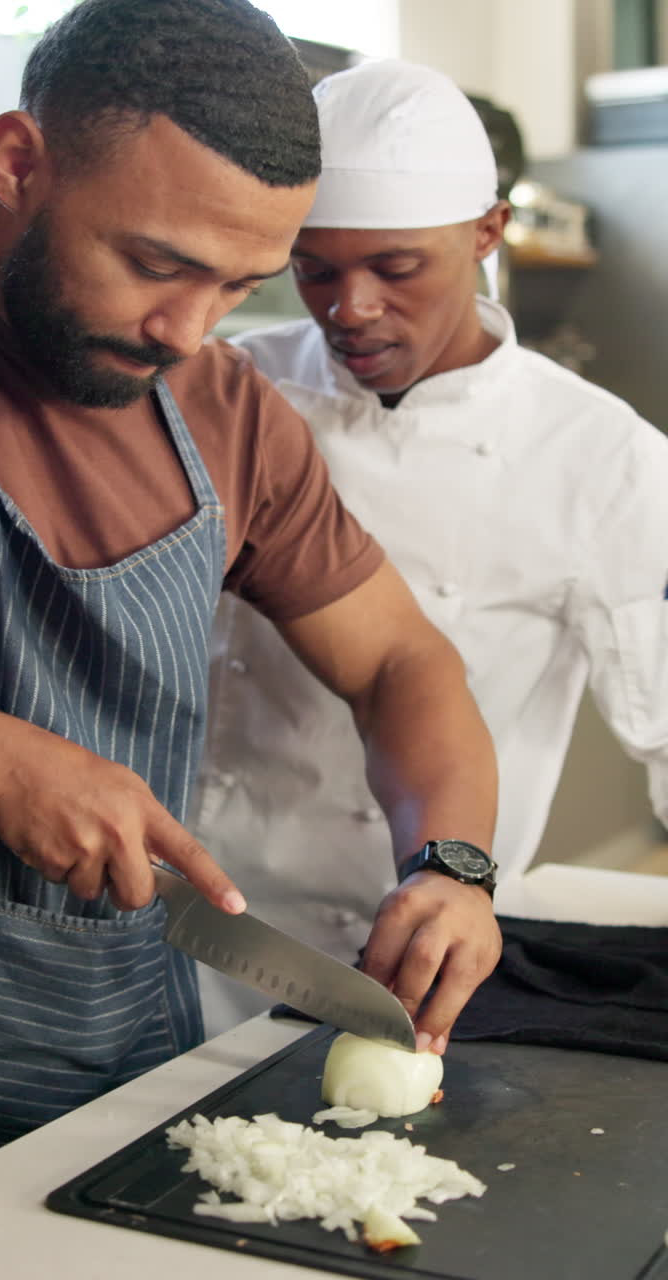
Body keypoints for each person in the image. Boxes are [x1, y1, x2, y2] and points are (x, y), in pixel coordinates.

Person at [0, 8, 502, 1171]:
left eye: (241, 286)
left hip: (101, 1068)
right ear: (18, 160)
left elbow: (401, 661)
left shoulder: (224, 409)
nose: (187, 329)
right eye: (157, 264)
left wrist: (452, 865)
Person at [191, 58, 668, 1038]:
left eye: (396, 268)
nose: (351, 307)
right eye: (314, 268)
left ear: (488, 232)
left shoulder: (603, 456)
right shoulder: (231, 388)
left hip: (420, 944)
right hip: (194, 929)